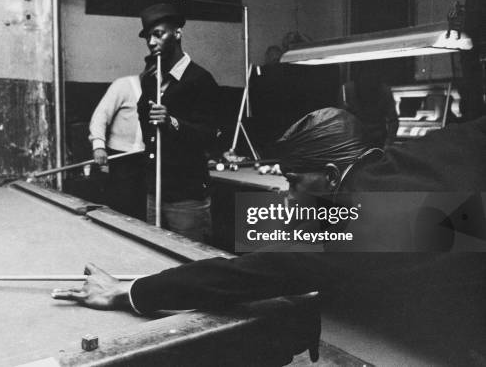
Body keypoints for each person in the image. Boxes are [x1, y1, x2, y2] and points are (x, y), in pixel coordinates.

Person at [53, 109, 486, 328]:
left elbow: (249, 274)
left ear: (332, 175)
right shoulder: (426, 150)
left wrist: (129, 290)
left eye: (296, 181)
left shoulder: (367, 223)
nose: (288, 193)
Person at [134, 3, 220, 242]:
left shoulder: (200, 80)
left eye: (158, 34)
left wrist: (172, 122)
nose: (152, 42)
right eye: (148, 37)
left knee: (191, 264)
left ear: (178, 33)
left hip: (187, 196)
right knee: (157, 257)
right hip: (156, 191)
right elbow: (146, 126)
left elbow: (210, 135)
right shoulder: (151, 81)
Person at [88, 72, 146, 219]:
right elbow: (100, 116)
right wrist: (99, 146)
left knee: (142, 209)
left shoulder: (161, 90)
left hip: (146, 156)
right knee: (121, 206)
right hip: (122, 157)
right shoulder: (123, 85)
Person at [339, 75, 399, 148]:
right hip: (356, 141)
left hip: (376, 141)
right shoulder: (347, 90)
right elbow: (341, 120)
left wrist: (388, 143)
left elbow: (393, 120)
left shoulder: (385, 90)